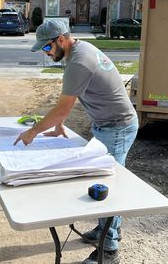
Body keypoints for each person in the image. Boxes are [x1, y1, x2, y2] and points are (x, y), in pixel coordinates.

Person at [14, 20, 138, 264]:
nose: (45, 53)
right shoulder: (76, 53)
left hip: (117, 127)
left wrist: (34, 131)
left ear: (61, 39)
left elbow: (61, 109)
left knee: (106, 184)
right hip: (108, 125)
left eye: (46, 48)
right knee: (101, 179)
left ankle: (109, 249)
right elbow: (75, 95)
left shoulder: (79, 61)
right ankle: (107, 231)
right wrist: (60, 124)